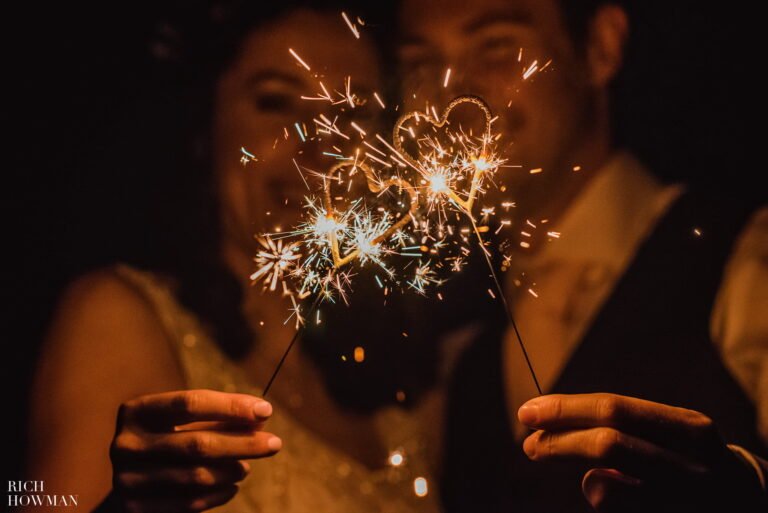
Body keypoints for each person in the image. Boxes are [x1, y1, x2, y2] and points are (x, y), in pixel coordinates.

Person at [25, 3, 445, 512]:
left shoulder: (407, 388)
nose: (318, 147)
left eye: (352, 114)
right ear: (208, 123)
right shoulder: (120, 320)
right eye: (276, 102)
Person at [396, 0, 768, 511]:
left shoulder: (745, 254)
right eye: (422, 63)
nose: (451, 94)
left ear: (600, 47)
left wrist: (742, 492)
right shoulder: (457, 354)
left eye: (496, 45)